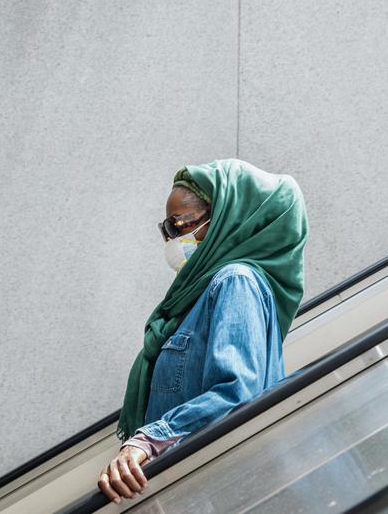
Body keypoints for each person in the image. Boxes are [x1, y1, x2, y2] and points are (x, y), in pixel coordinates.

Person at [96, 158, 308, 504]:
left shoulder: (236, 282)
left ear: (227, 219)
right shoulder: (201, 297)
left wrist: (149, 441)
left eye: (180, 225)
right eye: (167, 230)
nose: (174, 239)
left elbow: (239, 392)